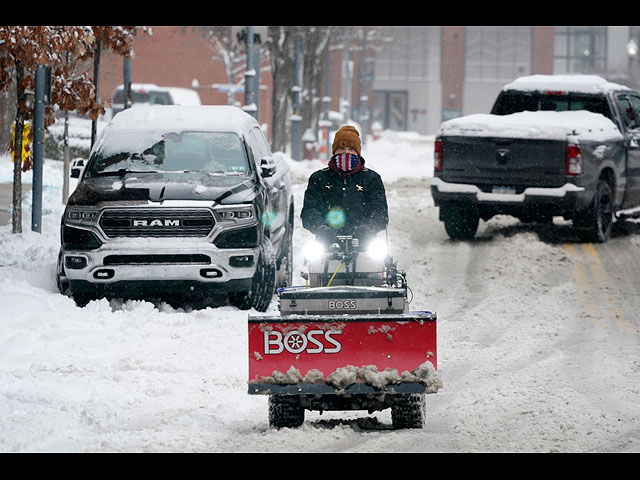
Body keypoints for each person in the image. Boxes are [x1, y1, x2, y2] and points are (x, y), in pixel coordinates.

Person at [301, 125, 388, 245]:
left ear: (358, 153)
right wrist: (322, 229)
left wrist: (367, 228)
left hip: (365, 245)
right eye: (341, 149)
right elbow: (309, 211)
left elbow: (381, 213)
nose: (346, 153)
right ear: (334, 151)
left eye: (351, 149)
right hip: (327, 245)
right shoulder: (319, 178)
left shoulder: (371, 179)